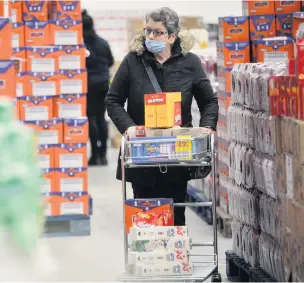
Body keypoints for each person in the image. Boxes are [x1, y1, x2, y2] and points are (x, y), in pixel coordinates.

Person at [105, 7, 218, 225]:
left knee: (175, 215)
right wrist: (128, 128)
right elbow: (113, 100)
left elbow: (209, 101)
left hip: (178, 155)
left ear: (172, 36)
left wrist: (206, 127)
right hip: (142, 155)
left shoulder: (190, 63)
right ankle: (148, 255)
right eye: (148, 31)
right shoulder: (132, 62)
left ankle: (175, 254)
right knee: (146, 216)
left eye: (157, 32)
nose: (150, 37)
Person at [82, 10, 114, 166]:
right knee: (101, 118)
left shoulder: (80, 44)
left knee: (91, 119)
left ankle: (95, 155)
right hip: (103, 84)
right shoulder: (102, 42)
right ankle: (104, 155)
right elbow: (111, 61)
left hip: (88, 86)